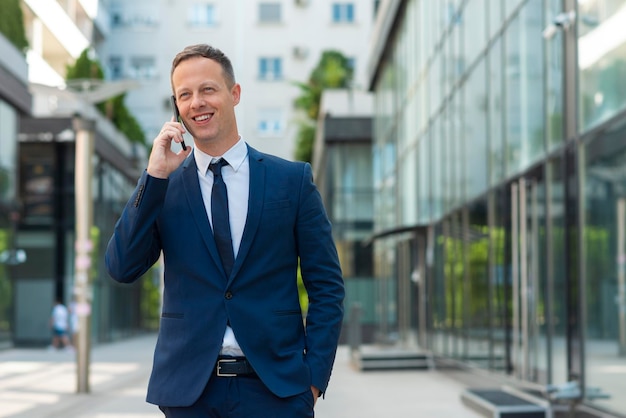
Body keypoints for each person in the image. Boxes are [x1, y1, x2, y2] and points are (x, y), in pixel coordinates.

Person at [105, 44, 344, 417]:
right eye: (185, 95)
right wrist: (152, 177)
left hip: (276, 392)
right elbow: (121, 267)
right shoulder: (163, 187)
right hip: (189, 395)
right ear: (176, 106)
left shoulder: (292, 181)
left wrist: (312, 380)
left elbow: (327, 286)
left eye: (208, 89)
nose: (197, 102)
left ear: (234, 94)